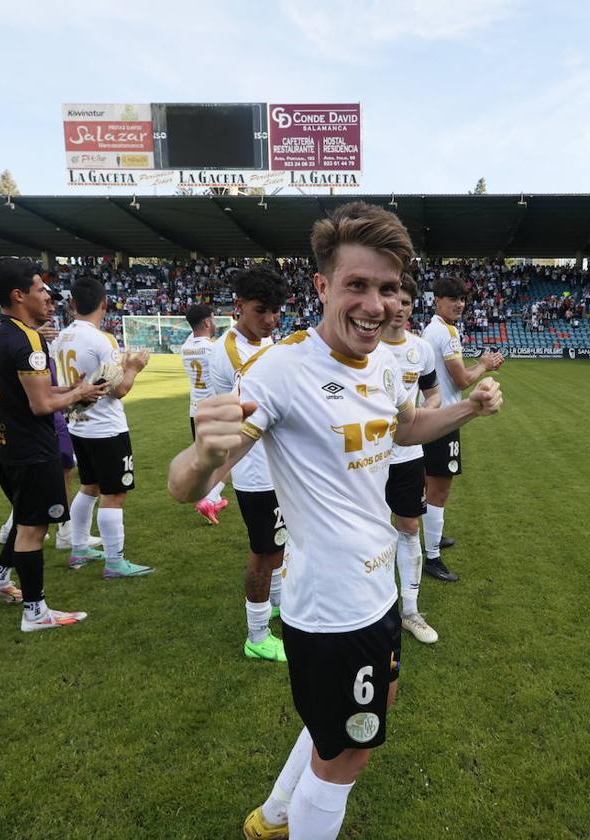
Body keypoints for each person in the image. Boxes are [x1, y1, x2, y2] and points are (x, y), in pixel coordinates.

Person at [168, 202, 503, 840]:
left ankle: (270, 819)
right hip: (330, 607)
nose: (375, 303)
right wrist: (200, 456)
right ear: (322, 286)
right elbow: (191, 483)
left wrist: (469, 412)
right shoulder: (282, 370)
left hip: (378, 589)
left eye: (387, 288)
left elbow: (405, 426)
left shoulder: (382, 361)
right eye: (357, 284)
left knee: (346, 724)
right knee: (349, 749)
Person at [0, 258, 107, 631]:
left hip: (2, 442)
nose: (48, 296)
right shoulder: (27, 338)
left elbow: (31, 390)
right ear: (18, 295)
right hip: (30, 447)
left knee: (24, 517)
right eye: (40, 289)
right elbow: (41, 404)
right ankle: (36, 612)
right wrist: (78, 392)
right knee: (34, 530)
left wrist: (73, 389)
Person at [207, 264, 289, 662]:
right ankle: (257, 635)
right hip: (255, 470)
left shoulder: (262, 344)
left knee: (280, 547)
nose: (272, 320)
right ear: (238, 306)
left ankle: (278, 605)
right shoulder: (234, 353)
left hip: (276, 466)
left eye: (276, 311)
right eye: (263, 310)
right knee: (264, 553)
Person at [51, 276, 153, 579]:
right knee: (115, 493)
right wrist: (133, 367)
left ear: (72, 304)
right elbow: (118, 389)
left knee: (89, 487)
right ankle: (114, 561)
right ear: (104, 304)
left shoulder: (62, 337)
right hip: (106, 427)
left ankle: (79, 549)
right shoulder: (101, 339)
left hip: (78, 425)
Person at [419, 276, 504, 582]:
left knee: (432, 485)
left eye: (462, 299)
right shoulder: (446, 333)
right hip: (444, 418)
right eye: (451, 298)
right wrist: (484, 365)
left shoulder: (432, 330)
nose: (458, 304)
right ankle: (432, 557)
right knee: (440, 488)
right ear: (437, 300)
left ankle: (433, 536)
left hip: (431, 416)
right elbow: (462, 381)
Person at [380, 275, 441, 644]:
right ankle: (375, 604)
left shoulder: (421, 349)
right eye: (395, 300)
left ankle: (411, 610)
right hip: (367, 458)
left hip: (407, 456)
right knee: (369, 531)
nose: (399, 308)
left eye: (406, 302)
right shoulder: (366, 348)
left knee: (408, 528)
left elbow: (433, 393)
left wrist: (421, 414)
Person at [181, 304, 227, 522]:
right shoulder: (214, 349)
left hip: (195, 411)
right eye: (213, 318)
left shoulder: (185, 347)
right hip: (214, 411)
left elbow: (194, 332)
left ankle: (208, 497)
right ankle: (210, 499)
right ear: (207, 322)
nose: (215, 321)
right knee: (233, 458)